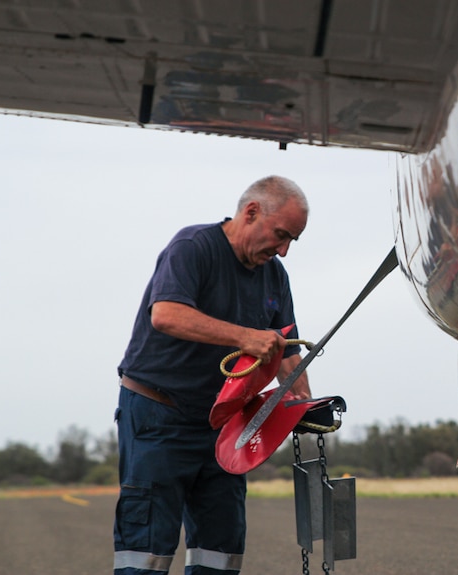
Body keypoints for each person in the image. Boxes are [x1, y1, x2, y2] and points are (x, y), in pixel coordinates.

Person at [113, 175, 312, 574]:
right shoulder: (193, 247)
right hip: (159, 417)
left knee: (221, 547)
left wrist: (301, 404)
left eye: (293, 240)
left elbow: (286, 348)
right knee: (146, 549)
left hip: (224, 426)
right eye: (280, 235)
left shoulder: (274, 276)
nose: (285, 250)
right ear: (251, 212)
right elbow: (166, 314)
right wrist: (246, 337)